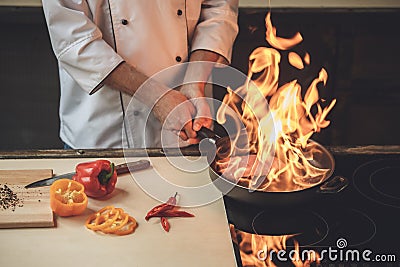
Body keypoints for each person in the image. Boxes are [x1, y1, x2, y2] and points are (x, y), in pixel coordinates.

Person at [41, 0, 239, 148]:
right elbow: (74, 40)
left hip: (188, 120)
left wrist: (194, 82)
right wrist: (157, 98)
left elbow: (219, 10)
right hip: (107, 133)